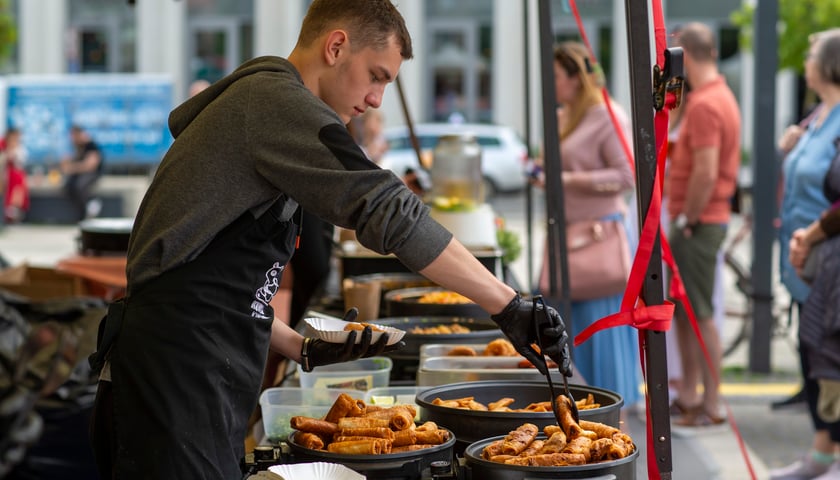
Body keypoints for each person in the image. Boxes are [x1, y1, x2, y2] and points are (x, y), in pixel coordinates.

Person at [86, 2, 572, 479]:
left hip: (186, 371)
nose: (378, 97)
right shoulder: (275, 102)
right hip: (168, 381)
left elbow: (211, 287)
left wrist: (300, 348)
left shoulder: (265, 109)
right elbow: (388, 209)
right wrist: (508, 306)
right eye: (377, 75)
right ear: (336, 46)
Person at [533, 41, 640, 422]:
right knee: (568, 331)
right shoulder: (566, 116)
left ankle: (614, 421)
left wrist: (565, 179)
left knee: (599, 332)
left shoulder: (607, 116)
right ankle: (581, 416)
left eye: (557, 76)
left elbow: (626, 175)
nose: (551, 83)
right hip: (567, 238)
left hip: (597, 239)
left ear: (577, 79)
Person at [770, 28, 840, 480]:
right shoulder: (817, 114)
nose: (806, 61)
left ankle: (825, 450)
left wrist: (812, 234)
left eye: (812, 54)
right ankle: (823, 449)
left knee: (827, 353)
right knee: (813, 349)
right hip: (808, 256)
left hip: (826, 254)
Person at [666, 22, 741, 428]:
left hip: (700, 220)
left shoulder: (708, 103)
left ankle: (709, 403)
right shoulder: (715, 97)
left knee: (699, 314)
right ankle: (693, 395)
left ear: (684, 52)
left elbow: (706, 171)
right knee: (688, 311)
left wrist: (687, 217)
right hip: (702, 219)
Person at [60, 125, 103, 221]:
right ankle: (81, 213)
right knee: (68, 184)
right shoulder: (78, 146)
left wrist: (72, 168)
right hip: (81, 174)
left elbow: (90, 166)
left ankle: (92, 204)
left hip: (93, 174)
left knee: (80, 185)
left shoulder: (90, 145)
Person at [2, 128, 30, 223]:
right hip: (6, 176)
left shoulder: (20, 149)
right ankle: (9, 212)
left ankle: (15, 211)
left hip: (17, 176)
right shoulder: (4, 148)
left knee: (17, 187)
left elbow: (21, 161)